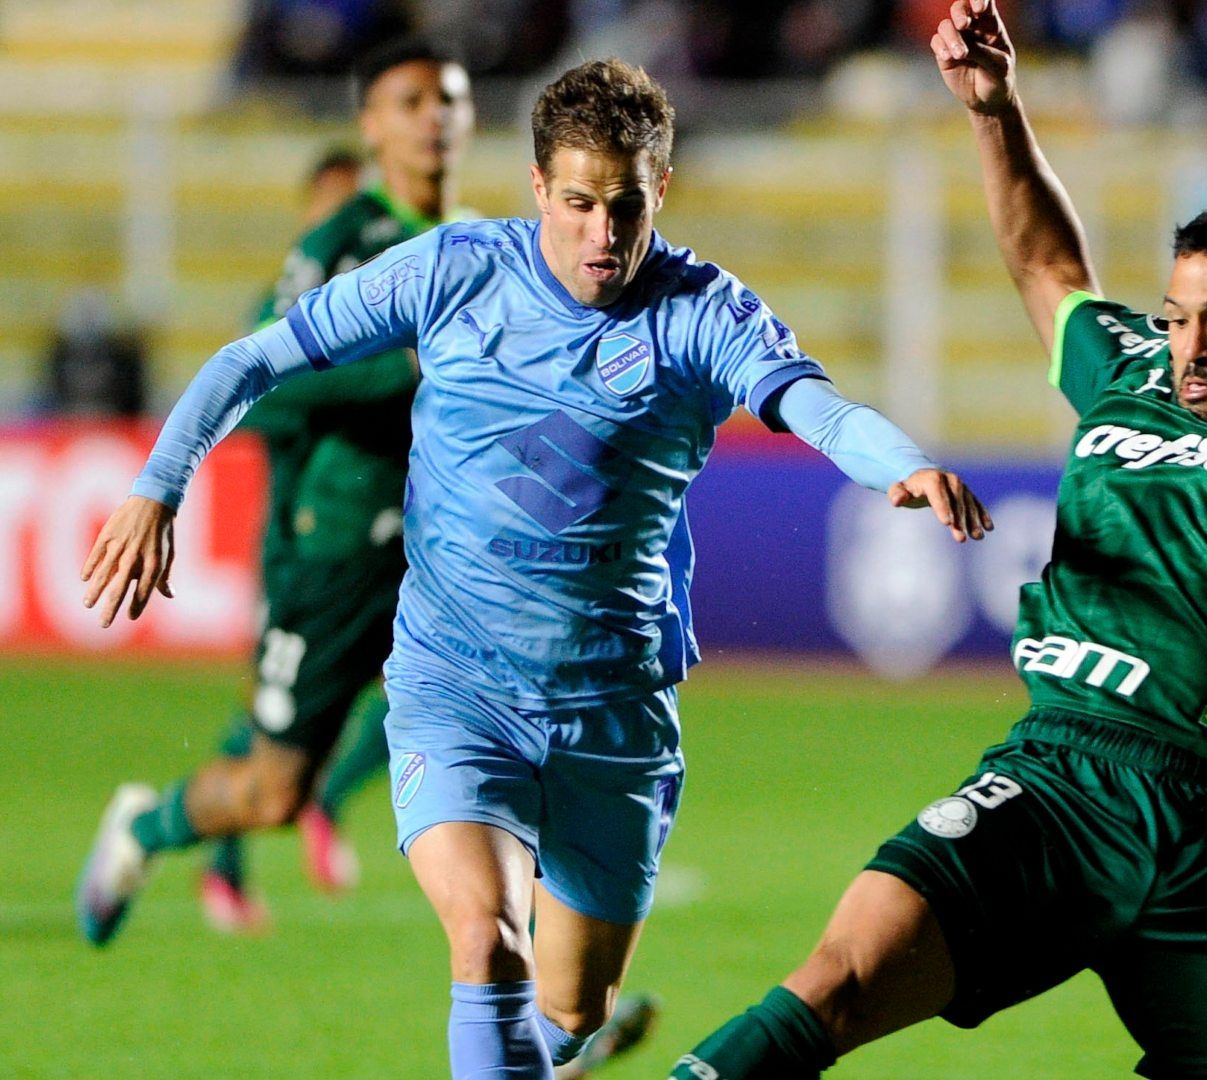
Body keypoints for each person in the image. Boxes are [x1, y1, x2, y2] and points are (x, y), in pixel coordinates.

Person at [669, 3, 1207, 1077]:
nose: (1188, 344)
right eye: (1177, 314)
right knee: (838, 980)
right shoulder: (1127, 373)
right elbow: (1046, 262)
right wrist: (996, 114)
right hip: (1056, 785)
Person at [77, 56, 991, 1079]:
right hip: (458, 687)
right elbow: (256, 357)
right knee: (486, 942)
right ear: (537, 189)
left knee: (569, 1013)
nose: (604, 234)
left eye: (627, 206)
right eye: (580, 203)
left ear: (663, 191)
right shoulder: (454, 269)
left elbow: (811, 404)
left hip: (615, 713)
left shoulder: (700, 311)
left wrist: (897, 463)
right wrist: (160, 483)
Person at [75, 37, 475, 940]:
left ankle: (548, 1003)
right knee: (271, 790)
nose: (433, 118)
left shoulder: (477, 246)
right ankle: (147, 827)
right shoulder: (343, 242)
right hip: (335, 550)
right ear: (371, 126)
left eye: (448, 100)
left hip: (444, 550)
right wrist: (407, 366)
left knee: (522, 731)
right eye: (409, 101)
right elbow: (269, 378)